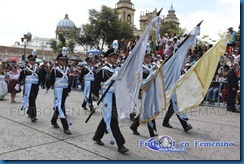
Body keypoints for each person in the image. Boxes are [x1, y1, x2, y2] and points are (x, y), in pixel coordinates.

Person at [91, 48, 129, 154]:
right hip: (107, 97)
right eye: (113, 57)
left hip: (115, 97)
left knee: (107, 117)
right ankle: (120, 144)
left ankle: (97, 136)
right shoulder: (102, 70)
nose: (116, 59)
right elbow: (95, 86)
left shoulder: (117, 70)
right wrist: (94, 100)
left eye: (116, 57)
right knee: (113, 120)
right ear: (107, 58)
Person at [130, 53, 158, 138]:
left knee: (147, 110)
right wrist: (152, 73)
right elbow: (140, 81)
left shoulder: (152, 67)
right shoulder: (141, 68)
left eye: (150, 58)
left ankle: (134, 126)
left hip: (152, 90)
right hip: (145, 90)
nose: (149, 59)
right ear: (143, 58)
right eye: (147, 57)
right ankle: (152, 132)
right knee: (149, 110)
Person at [46, 53, 72, 134]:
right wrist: (47, 87)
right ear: (58, 61)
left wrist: (68, 89)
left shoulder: (67, 69)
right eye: (62, 60)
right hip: (58, 90)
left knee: (60, 105)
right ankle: (66, 127)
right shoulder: (55, 69)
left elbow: (69, 80)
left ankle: (53, 120)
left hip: (64, 90)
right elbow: (50, 79)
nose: (64, 62)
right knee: (61, 106)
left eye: (65, 60)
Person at [18, 53, 41, 122]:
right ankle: (33, 116)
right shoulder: (25, 69)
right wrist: (18, 84)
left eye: (34, 60)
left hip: (35, 87)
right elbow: (20, 78)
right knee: (32, 100)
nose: (33, 61)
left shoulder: (37, 69)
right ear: (29, 61)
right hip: (28, 87)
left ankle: (29, 111)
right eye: (31, 60)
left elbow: (40, 77)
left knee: (33, 99)